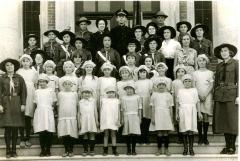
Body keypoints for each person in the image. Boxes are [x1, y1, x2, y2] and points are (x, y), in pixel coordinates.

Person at [213, 43, 238, 154]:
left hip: (231, 94)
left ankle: (232, 146)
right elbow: (216, 82)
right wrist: (215, 95)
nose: (223, 53)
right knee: (223, 121)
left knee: (231, 120)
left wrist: (238, 96)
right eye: (222, 51)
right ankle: (227, 146)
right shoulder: (219, 66)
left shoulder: (236, 64)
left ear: (230, 52)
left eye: (225, 51)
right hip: (220, 95)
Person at [0, 58, 27, 158]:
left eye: (11, 65)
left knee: (15, 128)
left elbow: (23, 92)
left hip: (16, 102)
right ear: (5, 68)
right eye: (7, 65)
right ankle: (8, 150)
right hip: (6, 102)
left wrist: (23, 104)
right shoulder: (2, 78)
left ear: (14, 67)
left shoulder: (19, 78)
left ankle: (14, 150)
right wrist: (0, 104)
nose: (9, 67)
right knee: (8, 128)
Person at [176, 74, 202, 156]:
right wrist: (176, 113)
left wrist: (199, 112)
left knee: (191, 130)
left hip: (192, 110)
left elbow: (197, 102)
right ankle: (185, 149)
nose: (187, 83)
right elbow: (177, 102)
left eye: (189, 81)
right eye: (185, 81)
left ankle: (191, 149)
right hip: (183, 110)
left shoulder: (194, 90)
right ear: (183, 82)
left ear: (191, 82)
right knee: (184, 130)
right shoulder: (180, 91)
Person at [33, 74, 57, 157]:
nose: (42, 83)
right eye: (40, 82)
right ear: (38, 83)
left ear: (47, 82)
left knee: (49, 131)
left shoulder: (51, 91)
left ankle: (48, 150)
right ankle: (42, 150)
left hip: (48, 111)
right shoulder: (36, 92)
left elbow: (54, 103)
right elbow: (35, 103)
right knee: (42, 131)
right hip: (40, 112)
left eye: (43, 81)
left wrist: (52, 110)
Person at [17, 54, 37, 148]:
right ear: (21, 62)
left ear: (30, 62)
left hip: (31, 93)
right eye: (23, 61)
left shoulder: (34, 71)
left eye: (27, 61)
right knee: (21, 115)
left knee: (28, 115)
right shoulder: (18, 71)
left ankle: (27, 138)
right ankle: (21, 139)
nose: (25, 63)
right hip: (21, 93)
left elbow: (36, 84)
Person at [193, 54, 214, 145]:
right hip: (198, 95)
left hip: (207, 95)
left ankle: (205, 137)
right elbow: (194, 85)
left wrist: (205, 94)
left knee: (205, 116)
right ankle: (200, 137)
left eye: (203, 60)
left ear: (206, 61)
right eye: (200, 61)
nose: (202, 62)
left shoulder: (210, 72)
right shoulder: (195, 73)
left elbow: (211, 85)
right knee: (199, 116)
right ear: (197, 62)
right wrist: (199, 94)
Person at [150, 78, 174, 156]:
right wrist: (153, 117)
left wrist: (171, 117)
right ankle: (159, 149)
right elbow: (153, 107)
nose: (161, 86)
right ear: (157, 86)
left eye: (163, 85)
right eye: (159, 85)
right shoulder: (154, 95)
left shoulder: (168, 95)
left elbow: (170, 107)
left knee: (166, 133)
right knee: (159, 132)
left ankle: (166, 149)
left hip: (166, 114)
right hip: (158, 114)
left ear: (165, 86)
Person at [58, 77, 78, 157]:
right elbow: (58, 105)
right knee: (64, 133)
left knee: (71, 133)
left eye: (69, 84)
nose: (67, 85)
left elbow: (77, 105)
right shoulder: (60, 94)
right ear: (63, 85)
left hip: (72, 115)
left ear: (71, 85)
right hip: (63, 115)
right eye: (65, 84)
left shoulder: (74, 93)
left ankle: (71, 150)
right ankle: (66, 149)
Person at [121, 83, 142, 155]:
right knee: (128, 133)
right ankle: (128, 149)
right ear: (125, 90)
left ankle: (133, 149)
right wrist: (122, 119)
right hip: (126, 115)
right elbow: (122, 109)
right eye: (127, 89)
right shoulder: (123, 97)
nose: (129, 90)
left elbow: (139, 108)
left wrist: (140, 117)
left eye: (131, 89)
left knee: (134, 133)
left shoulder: (137, 97)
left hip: (135, 116)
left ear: (133, 90)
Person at [78, 86, 99, 156]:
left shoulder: (93, 101)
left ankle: (92, 150)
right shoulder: (80, 102)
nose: (87, 94)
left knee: (92, 134)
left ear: (91, 94)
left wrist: (96, 121)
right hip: (83, 120)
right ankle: (85, 150)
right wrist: (79, 122)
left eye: (88, 93)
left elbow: (95, 111)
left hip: (91, 119)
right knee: (85, 135)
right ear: (82, 94)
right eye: (85, 93)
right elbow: (79, 113)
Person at [100, 86, 121, 156]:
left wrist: (118, 120)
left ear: (115, 93)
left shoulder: (117, 100)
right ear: (106, 93)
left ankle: (114, 150)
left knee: (113, 134)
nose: (111, 94)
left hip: (114, 119)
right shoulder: (103, 100)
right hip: (105, 119)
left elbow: (118, 111)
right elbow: (101, 110)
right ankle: (105, 150)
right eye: (109, 93)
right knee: (106, 135)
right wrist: (101, 120)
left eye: (112, 92)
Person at [135, 65, 153, 144]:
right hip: (139, 101)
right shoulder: (136, 82)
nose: (142, 74)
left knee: (146, 120)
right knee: (140, 120)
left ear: (146, 73)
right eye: (140, 72)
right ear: (138, 74)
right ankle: (140, 138)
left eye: (144, 72)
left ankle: (146, 138)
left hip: (147, 101)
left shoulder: (149, 81)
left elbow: (151, 92)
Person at [171, 65, 186, 143]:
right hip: (176, 102)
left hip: (184, 103)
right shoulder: (174, 82)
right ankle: (179, 136)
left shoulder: (186, 81)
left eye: (182, 71)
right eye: (179, 72)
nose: (180, 73)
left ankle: (184, 136)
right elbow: (173, 93)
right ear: (176, 73)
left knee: (184, 119)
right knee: (177, 119)